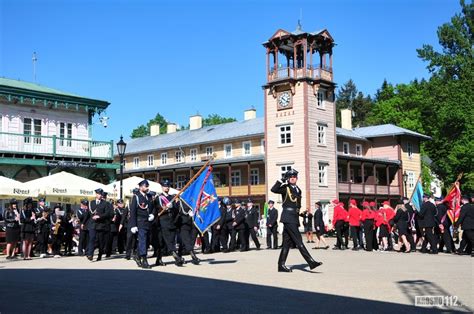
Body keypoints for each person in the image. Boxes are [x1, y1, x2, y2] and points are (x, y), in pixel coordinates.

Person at [271, 169, 322, 272]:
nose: (293, 178)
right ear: (288, 179)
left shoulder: (298, 189)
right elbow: (274, 189)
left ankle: (281, 265)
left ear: (297, 178)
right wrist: (281, 180)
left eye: (294, 177)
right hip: (288, 217)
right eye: (291, 177)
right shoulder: (285, 188)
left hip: (294, 217)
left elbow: (297, 205)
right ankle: (310, 262)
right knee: (299, 240)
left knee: (286, 243)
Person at [156, 180, 185, 266]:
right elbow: (157, 208)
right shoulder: (159, 198)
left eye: (168, 186)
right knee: (167, 240)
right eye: (165, 186)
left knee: (169, 241)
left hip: (172, 221)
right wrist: (163, 208)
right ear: (162, 187)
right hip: (163, 220)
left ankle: (158, 259)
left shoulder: (172, 197)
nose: (167, 187)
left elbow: (176, 210)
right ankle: (176, 257)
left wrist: (173, 207)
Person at [129, 179, 156, 269]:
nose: (147, 187)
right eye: (145, 186)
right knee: (143, 240)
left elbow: (152, 208)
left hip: (148, 222)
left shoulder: (149, 197)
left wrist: (152, 214)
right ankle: (144, 260)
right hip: (140, 222)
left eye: (147, 186)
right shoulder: (136, 197)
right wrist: (133, 225)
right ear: (140, 187)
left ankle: (137, 255)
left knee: (146, 241)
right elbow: (133, 212)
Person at [89, 188, 111, 261]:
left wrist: (100, 216)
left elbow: (107, 213)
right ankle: (90, 254)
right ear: (96, 194)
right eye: (98, 194)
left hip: (101, 224)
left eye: (100, 194)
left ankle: (100, 254)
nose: (99, 195)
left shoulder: (105, 203)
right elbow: (89, 213)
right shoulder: (91, 202)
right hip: (93, 224)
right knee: (92, 239)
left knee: (100, 241)